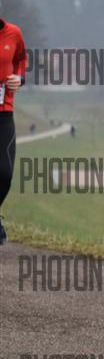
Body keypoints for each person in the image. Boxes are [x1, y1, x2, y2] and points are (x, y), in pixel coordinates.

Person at [0, 16, 27, 245]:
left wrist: (20, 77)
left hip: (4, 113)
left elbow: (21, 58)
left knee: (5, 173)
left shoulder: (13, 33)